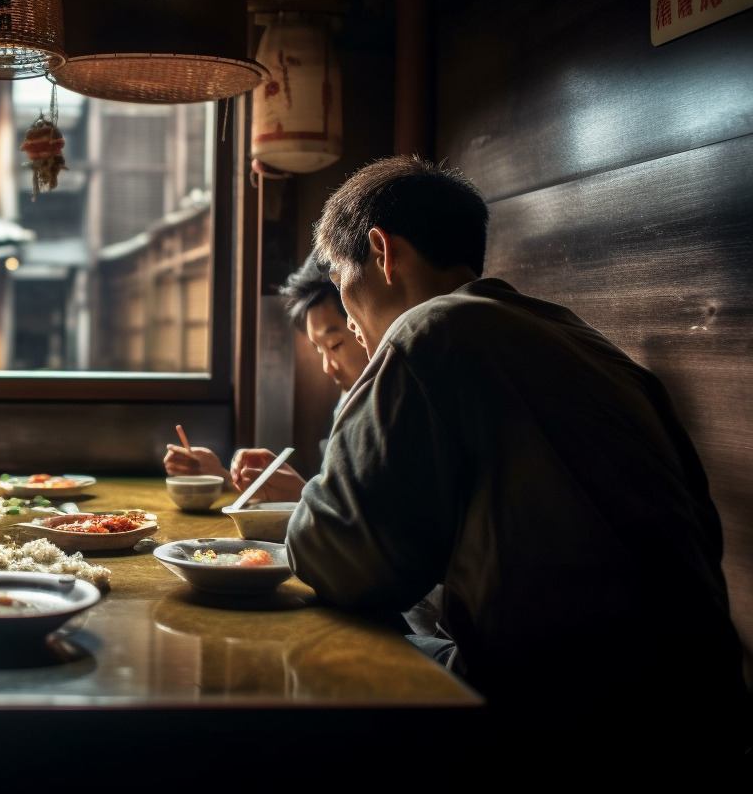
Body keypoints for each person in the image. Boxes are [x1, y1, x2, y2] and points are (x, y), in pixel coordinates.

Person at [239, 155, 751, 759]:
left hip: (562, 719)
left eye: (343, 289)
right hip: (707, 710)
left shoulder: (429, 331)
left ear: (382, 252)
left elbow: (337, 556)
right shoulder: (590, 347)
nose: (350, 324)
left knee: (293, 665)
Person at [162, 253, 369, 498]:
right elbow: (336, 506)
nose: (327, 367)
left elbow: (364, 527)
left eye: (334, 345)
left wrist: (301, 495)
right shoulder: (349, 398)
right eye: (319, 349)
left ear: (363, 323)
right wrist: (223, 478)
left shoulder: (393, 402)